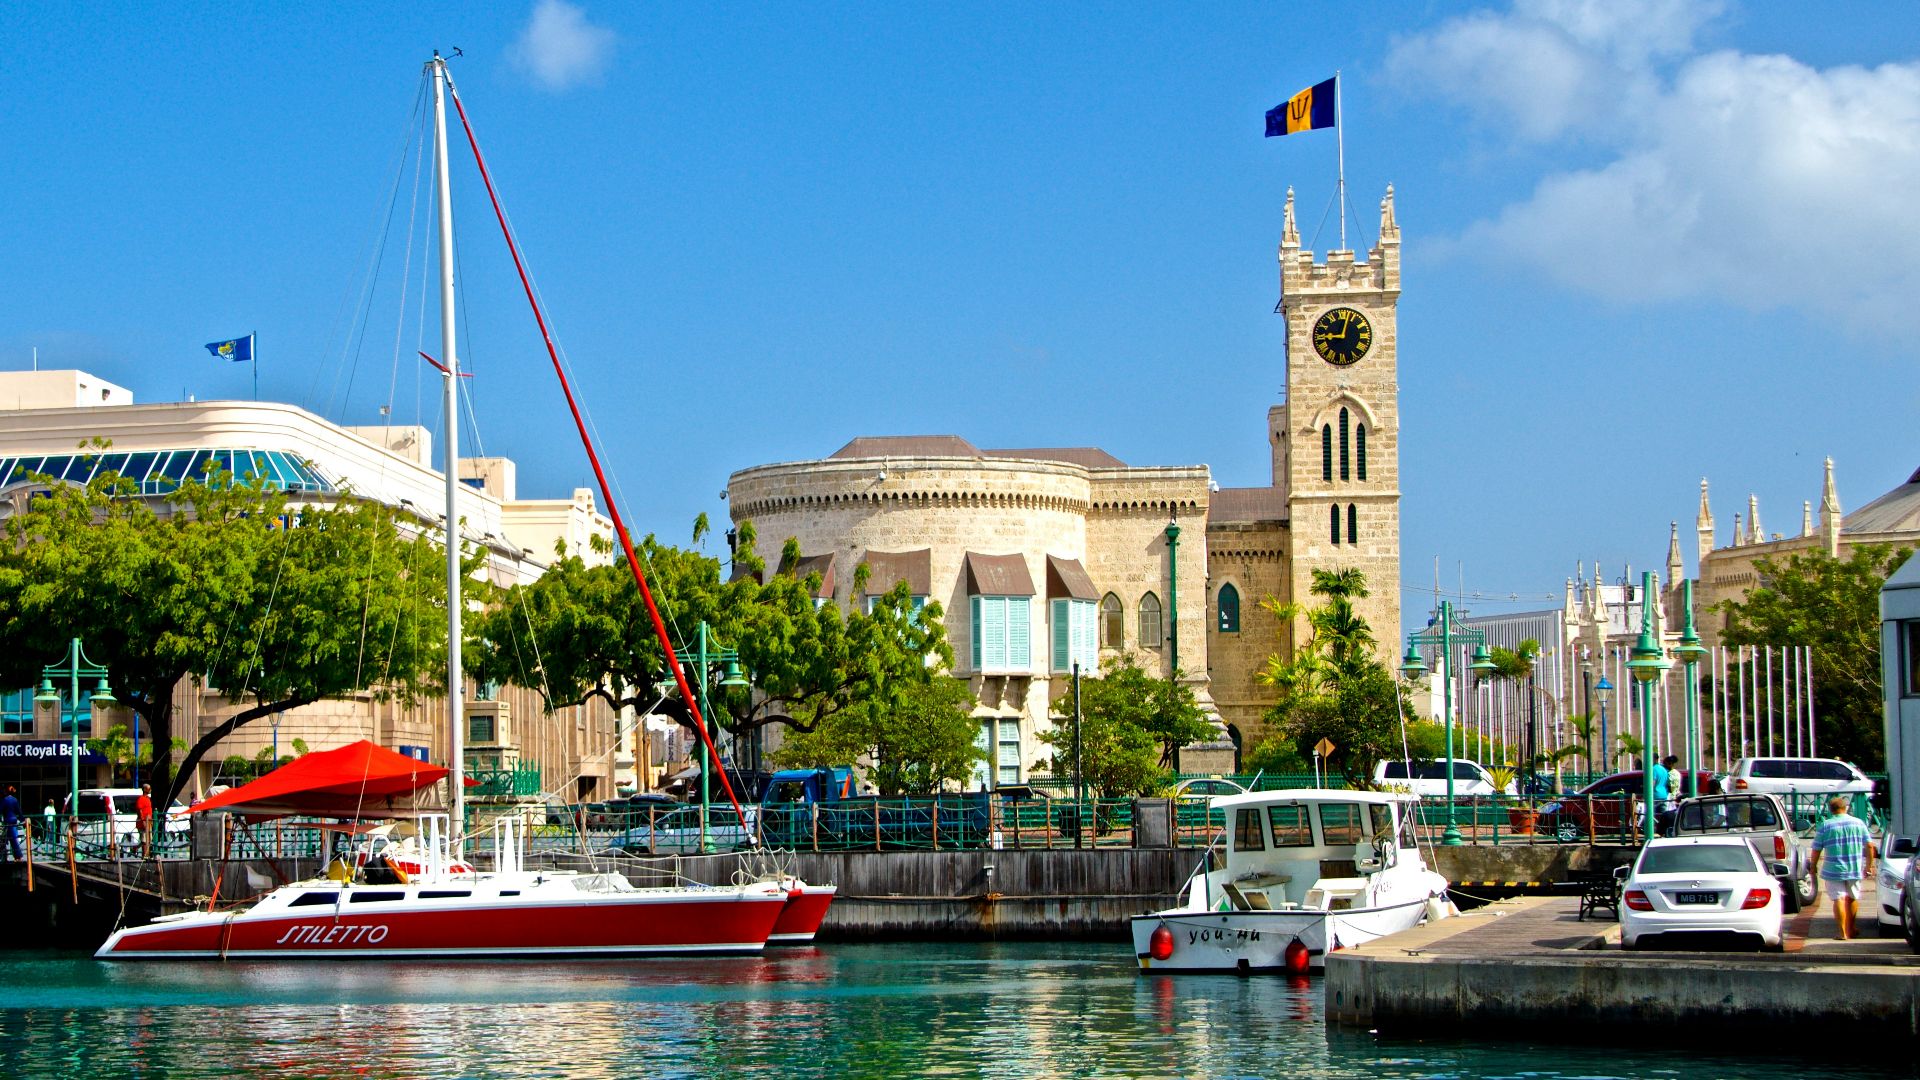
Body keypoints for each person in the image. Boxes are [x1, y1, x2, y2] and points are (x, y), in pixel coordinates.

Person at [1809, 795, 1876, 940]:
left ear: (1831, 810)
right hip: (1854, 868)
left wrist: (1813, 866)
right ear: (1845, 808)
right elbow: (1870, 845)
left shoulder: (1825, 826)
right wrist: (1869, 866)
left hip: (1833, 869)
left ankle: (1842, 933)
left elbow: (1816, 849)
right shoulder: (1859, 823)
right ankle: (1851, 929)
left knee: (1838, 899)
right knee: (1852, 898)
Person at [1656, 755, 1681, 836]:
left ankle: (1666, 833)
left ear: (1669, 763)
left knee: (1666, 815)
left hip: (1669, 797)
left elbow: (1669, 786)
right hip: (1677, 796)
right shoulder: (1677, 773)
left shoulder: (1668, 774)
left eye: (1665, 763)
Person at [0, 786, 20, 861]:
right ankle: (16, 856)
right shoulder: (15, 800)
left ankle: (6, 856)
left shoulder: (5, 800)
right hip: (14, 820)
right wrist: (22, 819)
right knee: (13, 839)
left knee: (6, 840)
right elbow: (18, 811)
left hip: (7, 821)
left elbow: (0, 810)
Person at [135, 783, 154, 858]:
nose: (150, 790)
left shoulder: (148, 799)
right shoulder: (141, 799)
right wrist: (143, 821)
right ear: (145, 790)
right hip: (143, 822)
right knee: (144, 839)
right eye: (149, 789)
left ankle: (136, 848)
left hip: (149, 821)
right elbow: (140, 811)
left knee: (149, 839)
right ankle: (145, 855)